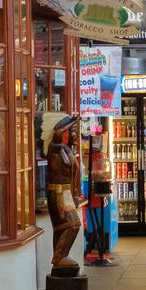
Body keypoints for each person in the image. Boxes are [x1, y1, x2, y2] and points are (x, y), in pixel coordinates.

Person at [46, 113, 83, 275]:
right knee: (73, 224)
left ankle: (60, 261)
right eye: (72, 131)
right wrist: (65, 126)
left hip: (66, 193)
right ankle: (59, 257)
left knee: (61, 228)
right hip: (58, 192)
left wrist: (75, 195)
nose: (75, 135)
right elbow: (56, 138)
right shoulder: (55, 149)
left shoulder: (67, 150)